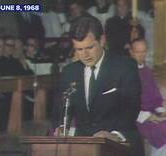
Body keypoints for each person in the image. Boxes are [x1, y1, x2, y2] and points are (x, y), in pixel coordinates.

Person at [51, 15, 145, 156]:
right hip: (82, 147)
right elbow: (59, 112)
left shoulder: (125, 66)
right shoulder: (69, 72)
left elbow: (131, 110)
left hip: (119, 143)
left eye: (89, 47)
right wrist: (60, 128)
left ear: (102, 40)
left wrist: (113, 135)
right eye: (79, 49)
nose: (85, 55)